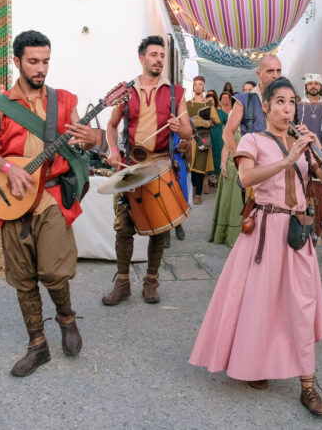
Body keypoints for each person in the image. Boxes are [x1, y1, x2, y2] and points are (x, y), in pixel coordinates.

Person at [190, 77, 322, 415]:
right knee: (262, 304)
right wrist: (287, 160)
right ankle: (257, 364)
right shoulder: (252, 140)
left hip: (297, 233)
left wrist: (317, 150)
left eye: (291, 102)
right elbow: (246, 178)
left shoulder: (302, 143)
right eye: (280, 102)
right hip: (266, 231)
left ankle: (308, 386)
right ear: (266, 107)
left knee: (301, 304)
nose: (287, 108)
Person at [0, 30, 96, 376]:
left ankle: (67, 319)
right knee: (23, 277)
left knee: (54, 271)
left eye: (45, 61)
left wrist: (92, 139)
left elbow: (86, 143)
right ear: (17, 61)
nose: (41, 68)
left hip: (52, 197)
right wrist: (7, 168)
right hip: (12, 199)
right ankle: (37, 344)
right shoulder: (0, 105)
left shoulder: (65, 100)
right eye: (33, 61)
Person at [103, 35, 192, 305]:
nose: (159, 60)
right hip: (130, 166)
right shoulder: (126, 91)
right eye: (154, 55)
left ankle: (151, 281)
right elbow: (111, 126)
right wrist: (113, 149)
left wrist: (180, 128)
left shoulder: (176, 93)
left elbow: (188, 132)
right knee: (123, 228)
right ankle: (122, 283)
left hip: (160, 166)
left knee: (159, 228)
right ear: (142, 58)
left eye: (162, 55)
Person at [224, 55, 283, 156]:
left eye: (278, 71)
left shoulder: (286, 99)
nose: (275, 75)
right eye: (270, 71)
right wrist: (241, 158)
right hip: (255, 161)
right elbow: (227, 133)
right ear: (258, 74)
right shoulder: (244, 100)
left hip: (282, 160)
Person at [209, 91, 243, 247]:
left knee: (240, 205)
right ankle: (226, 234)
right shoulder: (232, 120)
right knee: (228, 203)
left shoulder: (253, 124)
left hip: (246, 168)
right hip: (230, 165)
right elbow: (226, 146)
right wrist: (223, 164)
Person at [187, 75, 220, 204]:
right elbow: (182, 121)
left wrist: (206, 123)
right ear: (193, 87)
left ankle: (198, 194)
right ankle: (193, 189)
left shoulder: (208, 104)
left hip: (203, 138)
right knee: (191, 166)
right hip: (190, 138)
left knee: (200, 167)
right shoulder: (187, 104)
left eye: (200, 84)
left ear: (203, 87)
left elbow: (216, 121)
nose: (198, 86)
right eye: (195, 84)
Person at [210, 90, 229, 182]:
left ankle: (219, 183)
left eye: (212, 100)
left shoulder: (220, 112)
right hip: (206, 140)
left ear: (215, 101)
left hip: (218, 140)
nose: (210, 102)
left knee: (218, 161)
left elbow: (230, 121)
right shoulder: (203, 111)